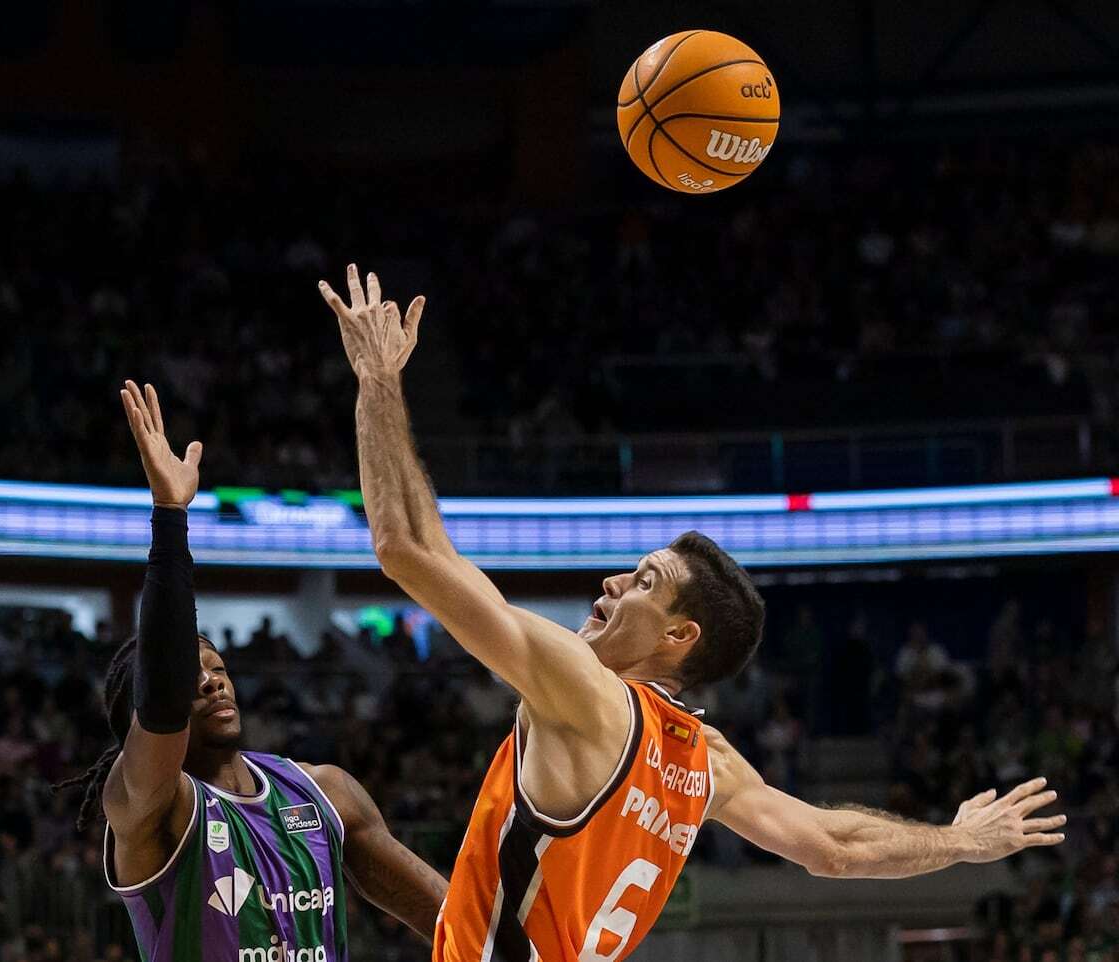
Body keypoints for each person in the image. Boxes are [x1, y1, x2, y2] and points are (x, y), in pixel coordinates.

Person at [320, 265, 1068, 962]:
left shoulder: (584, 690)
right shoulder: (703, 760)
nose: (614, 581)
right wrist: (960, 840)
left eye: (644, 581)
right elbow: (836, 847)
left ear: (681, 636)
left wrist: (378, 381)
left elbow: (406, 548)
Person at [55, 381, 446, 962]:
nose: (211, 681)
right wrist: (169, 518)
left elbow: (452, 918)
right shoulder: (150, 806)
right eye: (188, 676)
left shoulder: (324, 792)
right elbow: (160, 701)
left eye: (216, 668)